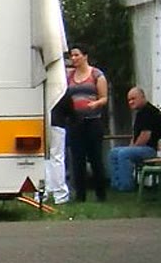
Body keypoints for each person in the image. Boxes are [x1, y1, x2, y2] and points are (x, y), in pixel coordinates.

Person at [63, 45, 110, 202]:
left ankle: (101, 194)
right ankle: (80, 195)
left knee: (95, 158)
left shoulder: (97, 75)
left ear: (85, 56)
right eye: (72, 56)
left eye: (77, 55)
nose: (74, 58)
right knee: (77, 159)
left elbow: (104, 98)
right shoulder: (69, 76)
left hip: (93, 121)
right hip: (75, 122)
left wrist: (95, 104)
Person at [109, 86, 158, 190]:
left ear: (142, 97)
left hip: (149, 149)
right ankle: (116, 185)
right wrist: (131, 147)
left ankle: (126, 186)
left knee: (123, 153)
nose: (131, 102)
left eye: (133, 99)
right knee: (113, 152)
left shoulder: (150, 111)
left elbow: (145, 136)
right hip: (141, 148)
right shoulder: (140, 113)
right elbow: (136, 135)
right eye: (129, 100)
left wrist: (131, 148)